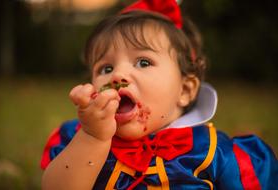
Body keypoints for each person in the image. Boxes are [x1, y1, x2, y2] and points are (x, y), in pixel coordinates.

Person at [40, 0, 278, 189]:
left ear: (184, 90)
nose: (117, 75)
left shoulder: (214, 152)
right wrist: (93, 138)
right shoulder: (78, 139)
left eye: (143, 62)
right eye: (106, 68)